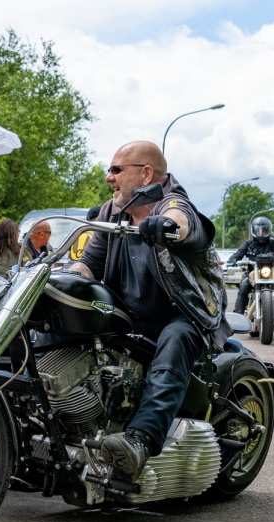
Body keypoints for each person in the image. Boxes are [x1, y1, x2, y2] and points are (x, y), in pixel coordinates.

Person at [71, 140, 228, 482]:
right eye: (109, 170)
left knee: (176, 338)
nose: (109, 177)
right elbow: (89, 265)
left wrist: (167, 227)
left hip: (184, 313)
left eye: (116, 170)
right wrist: (67, 276)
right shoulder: (113, 212)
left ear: (145, 174)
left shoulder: (172, 203)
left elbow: (183, 222)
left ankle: (141, 440)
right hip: (129, 316)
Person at [227, 216, 274, 342]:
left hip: (270, 275)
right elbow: (238, 253)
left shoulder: (272, 243)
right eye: (258, 230)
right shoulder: (248, 244)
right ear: (254, 230)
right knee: (244, 285)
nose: (261, 233)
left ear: (268, 230)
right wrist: (233, 260)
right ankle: (239, 315)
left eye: (263, 231)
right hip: (253, 275)